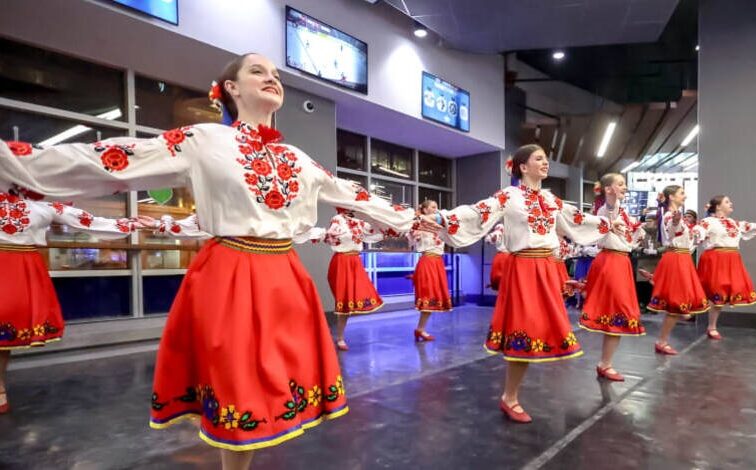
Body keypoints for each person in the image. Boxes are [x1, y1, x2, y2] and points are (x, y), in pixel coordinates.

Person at [0, 53, 432, 470]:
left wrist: (426, 220)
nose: (272, 78)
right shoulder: (202, 140)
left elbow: (354, 195)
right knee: (235, 383)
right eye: (257, 71)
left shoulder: (297, 158)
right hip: (230, 272)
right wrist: (13, 157)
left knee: (273, 384)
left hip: (284, 275)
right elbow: (113, 159)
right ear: (230, 88)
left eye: (276, 73)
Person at [437, 144, 611, 422]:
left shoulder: (552, 200)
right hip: (523, 268)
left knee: (539, 331)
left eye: (546, 159)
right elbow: (478, 211)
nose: (545, 163)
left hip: (545, 267)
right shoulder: (510, 196)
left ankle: (510, 396)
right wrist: (443, 218)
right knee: (524, 330)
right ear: (522, 166)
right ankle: (510, 396)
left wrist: (609, 222)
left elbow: (578, 219)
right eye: (539, 159)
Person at [0, 191, 137, 414]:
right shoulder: (41, 201)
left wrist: (135, 223)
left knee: (6, 329)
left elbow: (87, 221)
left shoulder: (40, 200)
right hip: (19, 265)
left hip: (18, 266)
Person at [579, 173, 646, 382]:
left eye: (624, 184)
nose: (624, 187)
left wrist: (637, 233)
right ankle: (605, 364)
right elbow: (610, 208)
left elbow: (628, 234)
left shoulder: (623, 211)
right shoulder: (606, 209)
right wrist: (613, 198)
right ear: (608, 189)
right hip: (611, 263)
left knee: (618, 314)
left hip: (621, 262)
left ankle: (606, 363)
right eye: (620, 184)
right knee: (618, 311)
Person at [646, 185, 709, 355]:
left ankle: (665, 337)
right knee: (676, 303)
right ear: (671, 197)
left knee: (679, 302)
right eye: (681, 193)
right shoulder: (669, 216)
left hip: (681, 258)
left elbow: (687, 238)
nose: (685, 196)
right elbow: (673, 232)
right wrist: (676, 223)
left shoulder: (675, 217)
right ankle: (662, 341)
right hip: (677, 259)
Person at [697, 195, 756, 340]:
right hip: (715, 258)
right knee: (715, 291)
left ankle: (711, 326)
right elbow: (698, 233)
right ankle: (698, 318)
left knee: (724, 292)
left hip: (732, 258)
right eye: (727, 202)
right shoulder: (707, 222)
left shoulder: (733, 222)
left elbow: (749, 226)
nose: (731, 203)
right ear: (717, 206)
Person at [321, 209, 385, 351]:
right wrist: (330, 235)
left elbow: (376, 233)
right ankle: (341, 338)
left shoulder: (359, 221)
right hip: (342, 261)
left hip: (355, 261)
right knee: (344, 301)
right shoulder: (337, 218)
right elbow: (330, 238)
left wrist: (379, 218)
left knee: (356, 297)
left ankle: (340, 336)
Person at [408, 200, 452, 342]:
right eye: (433, 207)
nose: (436, 209)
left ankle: (420, 329)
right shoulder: (419, 225)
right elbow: (412, 237)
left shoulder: (440, 225)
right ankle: (420, 329)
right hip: (427, 261)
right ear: (425, 210)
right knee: (428, 297)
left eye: (436, 207)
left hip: (438, 262)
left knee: (433, 299)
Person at [485, 223, 510, 290]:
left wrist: (492, 237)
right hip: (510, 256)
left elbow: (488, 240)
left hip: (502, 256)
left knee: (499, 276)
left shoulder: (498, 231)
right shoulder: (511, 231)